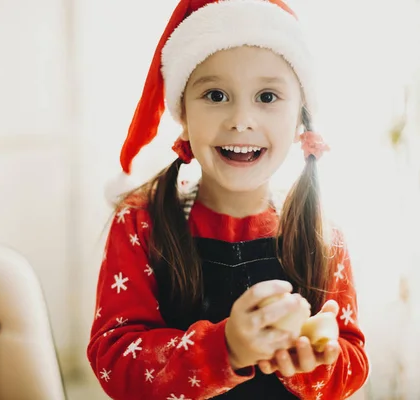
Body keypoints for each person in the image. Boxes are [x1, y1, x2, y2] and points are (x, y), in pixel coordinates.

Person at [87, 0, 369, 398]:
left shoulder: (322, 231)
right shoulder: (139, 223)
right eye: (216, 95)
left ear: (299, 121)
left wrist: (315, 360)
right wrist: (225, 348)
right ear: (183, 114)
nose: (241, 119)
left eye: (267, 97)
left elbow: (352, 362)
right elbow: (115, 361)